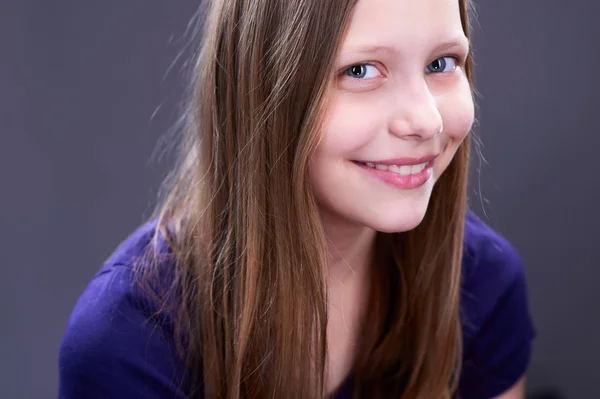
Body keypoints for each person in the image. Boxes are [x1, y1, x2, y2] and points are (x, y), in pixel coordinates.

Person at [58, 0, 535, 397]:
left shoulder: (481, 282)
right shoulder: (128, 343)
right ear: (262, 90)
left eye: (441, 64)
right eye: (362, 70)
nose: (427, 120)